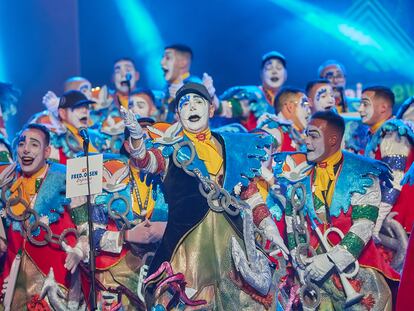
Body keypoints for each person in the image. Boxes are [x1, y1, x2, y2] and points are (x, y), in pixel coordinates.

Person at [122, 82, 288, 310]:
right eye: (185, 104)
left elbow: (249, 192)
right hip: (189, 248)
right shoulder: (171, 148)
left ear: (210, 110)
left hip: (231, 242)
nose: (191, 107)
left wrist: (268, 224)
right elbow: (148, 163)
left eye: (197, 102)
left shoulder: (232, 145)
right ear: (178, 115)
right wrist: (137, 141)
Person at [274, 110, 399, 310]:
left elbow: (364, 225)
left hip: (354, 265)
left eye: (313, 135)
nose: (306, 141)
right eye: (306, 134)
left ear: (332, 139)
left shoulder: (362, 172)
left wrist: (331, 259)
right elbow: (292, 223)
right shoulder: (297, 173)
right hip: (310, 265)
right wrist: (300, 261)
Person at [0, 124, 88, 310]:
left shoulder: (67, 179)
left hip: (57, 284)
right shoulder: (8, 184)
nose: (26, 149)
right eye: (22, 143)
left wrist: (80, 250)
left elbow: (86, 225)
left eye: (34, 145)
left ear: (47, 151)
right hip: (16, 283)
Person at [85, 120, 168, 310]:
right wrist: (126, 236)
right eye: (138, 139)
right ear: (127, 145)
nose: (144, 145)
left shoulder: (172, 178)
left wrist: (167, 229)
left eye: (150, 139)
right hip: (117, 274)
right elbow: (90, 236)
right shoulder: (107, 176)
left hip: (163, 271)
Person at [358, 86, 414, 240]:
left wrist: (376, 220)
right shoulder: (377, 133)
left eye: (365, 104)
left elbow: (394, 179)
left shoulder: (392, 132)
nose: (360, 109)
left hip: (398, 216)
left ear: (383, 107)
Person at [219, 51, 288, 130]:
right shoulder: (251, 94)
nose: (274, 71)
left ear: (286, 74)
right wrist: (216, 103)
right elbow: (227, 107)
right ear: (261, 74)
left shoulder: (290, 103)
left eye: (279, 67)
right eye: (269, 67)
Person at [48, 90, 102, 163]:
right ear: (63, 113)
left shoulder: (95, 136)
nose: (85, 111)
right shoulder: (55, 140)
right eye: (78, 107)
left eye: (86, 107)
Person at [257, 87, 310, 153]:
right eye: (305, 105)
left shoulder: (299, 135)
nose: (309, 111)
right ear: (290, 107)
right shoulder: (273, 131)